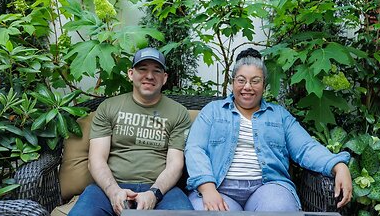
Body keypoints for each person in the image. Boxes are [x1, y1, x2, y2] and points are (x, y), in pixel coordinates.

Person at [184, 48, 353, 212]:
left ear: (264, 84)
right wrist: (207, 188)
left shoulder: (279, 115)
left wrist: (337, 165)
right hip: (219, 187)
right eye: (241, 80)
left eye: (255, 81)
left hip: (267, 187)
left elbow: (305, 147)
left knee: (279, 208)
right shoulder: (213, 111)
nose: (247, 87)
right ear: (233, 82)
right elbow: (195, 148)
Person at [69, 47, 194, 216]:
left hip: (161, 190)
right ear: (130, 74)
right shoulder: (109, 107)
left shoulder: (178, 113)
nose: (149, 76)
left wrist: (154, 194)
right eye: (142, 69)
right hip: (109, 187)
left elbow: (175, 164)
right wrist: (113, 191)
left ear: (164, 78)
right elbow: (96, 159)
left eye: (156, 71)